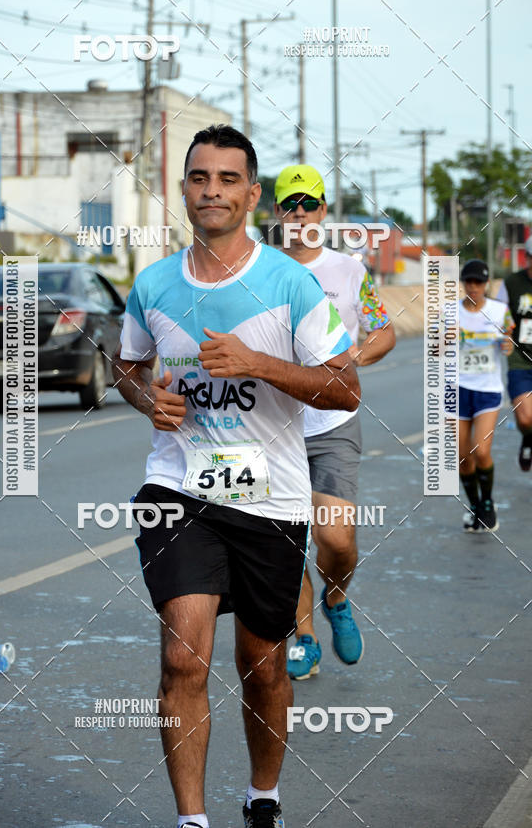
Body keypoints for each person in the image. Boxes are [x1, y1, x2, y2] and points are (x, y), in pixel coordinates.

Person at [112, 125, 360, 828]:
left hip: (269, 497)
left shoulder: (288, 283)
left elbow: (344, 389)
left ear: (252, 195)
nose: (211, 190)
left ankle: (263, 796)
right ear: (184, 189)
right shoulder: (154, 283)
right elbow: (128, 364)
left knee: (264, 664)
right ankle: (190, 820)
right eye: (199, 178)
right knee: (184, 656)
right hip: (179, 489)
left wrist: (259, 363)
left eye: (227, 179)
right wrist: (146, 398)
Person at [274, 165, 395, 680]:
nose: (299, 213)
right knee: (286, 541)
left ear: (324, 211)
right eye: (289, 205)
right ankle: (303, 637)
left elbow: (383, 328)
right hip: (270, 426)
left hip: (331, 425)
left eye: (309, 204)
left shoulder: (349, 271)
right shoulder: (259, 270)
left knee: (337, 539)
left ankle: (337, 598)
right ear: (276, 213)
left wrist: (356, 357)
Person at [458, 259, 514, 531]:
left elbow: (510, 339)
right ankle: (474, 505)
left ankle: (488, 502)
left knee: (481, 451)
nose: (474, 287)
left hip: (487, 389)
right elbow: (435, 349)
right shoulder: (449, 311)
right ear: (463, 283)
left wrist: (507, 345)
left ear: (487, 284)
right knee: (461, 456)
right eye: (469, 281)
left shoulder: (500, 310)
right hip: (456, 388)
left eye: (479, 282)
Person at [497, 236, 532, 471]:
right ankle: (528, 439)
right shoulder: (512, 283)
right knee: (525, 418)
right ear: (527, 258)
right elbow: (498, 314)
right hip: (521, 356)